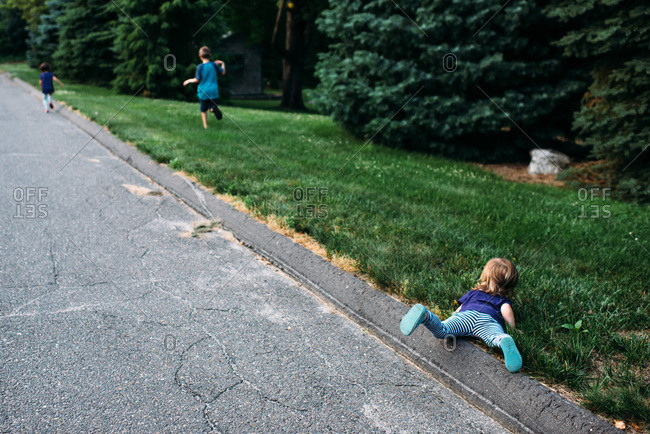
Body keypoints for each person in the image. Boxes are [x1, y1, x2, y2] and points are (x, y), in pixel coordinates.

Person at [400, 258, 523, 372]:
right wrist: (512, 328)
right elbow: (506, 311)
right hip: (488, 321)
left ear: (485, 276)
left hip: (466, 316)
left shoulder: (474, 293)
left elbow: (460, 309)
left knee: (443, 331)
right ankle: (504, 339)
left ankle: (426, 316)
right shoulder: (503, 301)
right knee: (493, 338)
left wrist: (454, 317)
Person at [183, 46, 226, 129]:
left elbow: (197, 80)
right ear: (210, 55)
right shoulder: (213, 65)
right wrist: (222, 64)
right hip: (213, 91)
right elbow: (223, 72)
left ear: (200, 56)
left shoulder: (200, 67)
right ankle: (212, 109)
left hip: (203, 92)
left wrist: (188, 80)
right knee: (212, 105)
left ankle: (205, 126)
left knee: (203, 109)